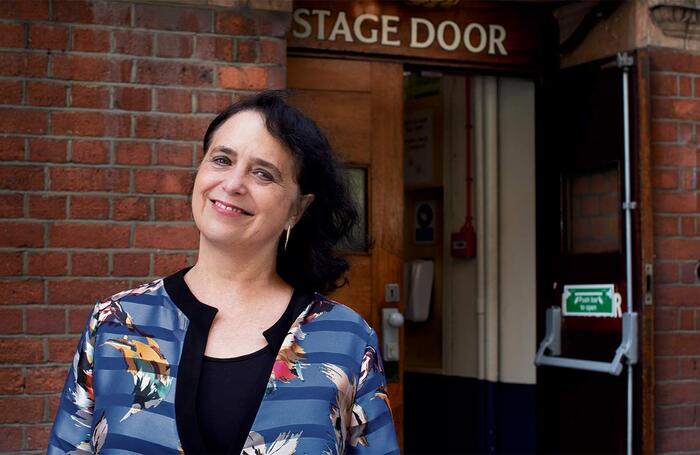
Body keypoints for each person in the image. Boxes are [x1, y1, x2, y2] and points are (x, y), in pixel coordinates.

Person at [47, 91, 400, 454]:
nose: (232, 184)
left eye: (263, 173)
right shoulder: (116, 322)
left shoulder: (347, 339)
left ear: (298, 209)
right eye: (221, 160)